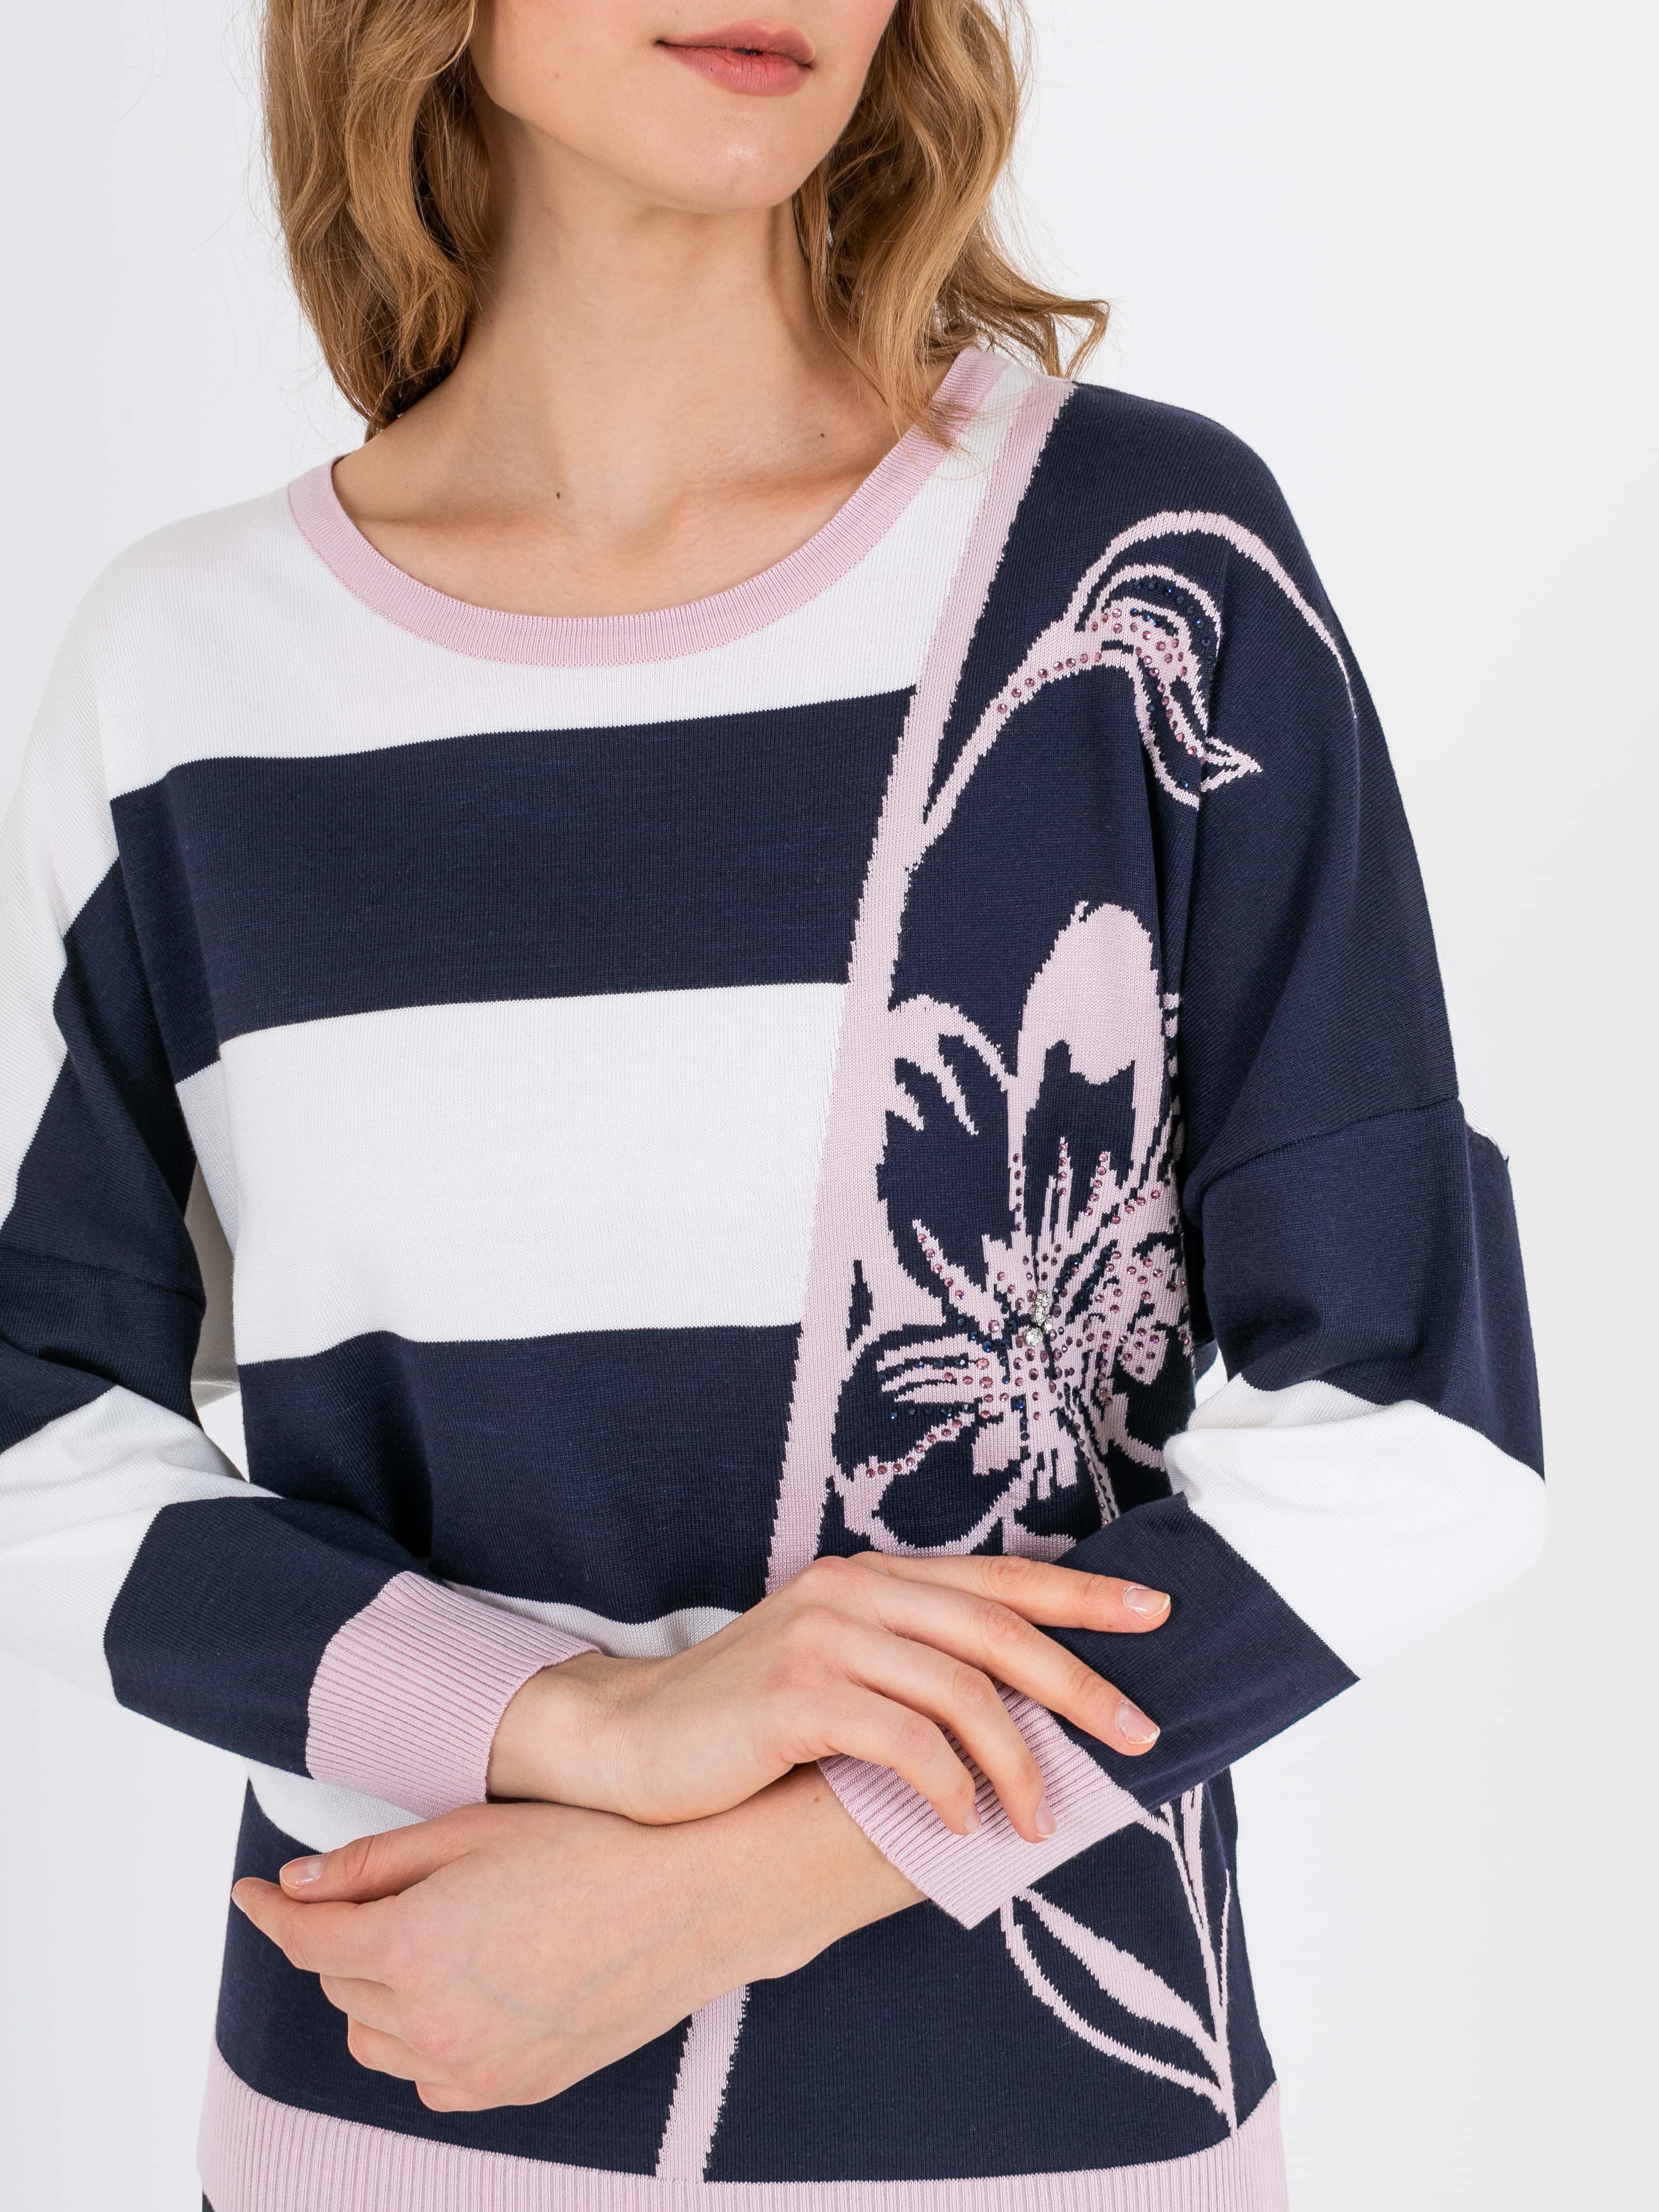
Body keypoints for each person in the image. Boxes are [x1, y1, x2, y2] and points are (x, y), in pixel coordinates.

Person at [0, 4, 1546, 2207]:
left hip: (1039, 2143)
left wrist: (736, 1886)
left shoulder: (1131, 574)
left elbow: (1420, 1432)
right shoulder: (187, 675)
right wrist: (571, 1721)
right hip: (393, 2106)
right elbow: (30, 1419)